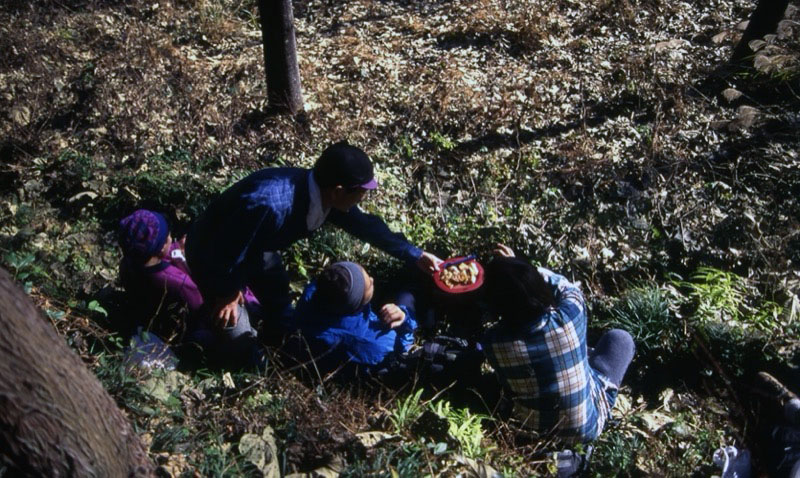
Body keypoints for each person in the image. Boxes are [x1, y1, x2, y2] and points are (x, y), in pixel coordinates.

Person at [184, 141, 442, 331]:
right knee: (231, 325)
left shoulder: (325, 195)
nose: (364, 197)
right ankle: (242, 354)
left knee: (279, 298)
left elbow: (366, 226)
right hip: (213, 254)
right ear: (339, 191)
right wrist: (228, 292)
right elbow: (227, 247)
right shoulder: (269, 205)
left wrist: (414, 254)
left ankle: (283, 337)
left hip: (258, 247)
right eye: (362, 191)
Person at [480, 245, 635, 444]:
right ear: (537, 286)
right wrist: (520, 268)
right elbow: (564, 286)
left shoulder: (493, 343)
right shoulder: (572, 313)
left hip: (532, 434)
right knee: (620, 339)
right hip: (587, 429)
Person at [118, 209, 262, 368]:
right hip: (197, 329)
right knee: (236, 320)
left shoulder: (128, 264)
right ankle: (253, 353)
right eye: (167, 237)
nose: (170, 237)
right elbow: (203, 308)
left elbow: (158, 257)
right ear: (159, 249)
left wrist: (175, 249)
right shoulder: (179, 284)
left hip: (155, 317)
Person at [290, 261, 417, 376]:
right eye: (369, 286)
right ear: (357, 306)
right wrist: (404, 317)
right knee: (407, 295)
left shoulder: (314, 291)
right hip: (367, 356)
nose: (372, 279)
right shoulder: (375, 341)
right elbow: (405, 346)